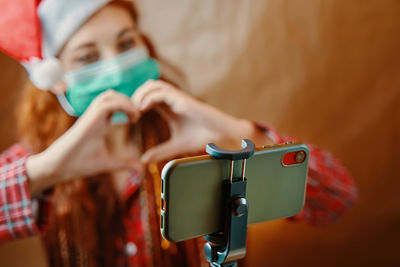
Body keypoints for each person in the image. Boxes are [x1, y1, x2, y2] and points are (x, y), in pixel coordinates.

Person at [0, 0, 357, 266]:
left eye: (125, 44)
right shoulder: (38, 158)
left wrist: (237, 134)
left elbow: (337, 199)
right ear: (54, 77)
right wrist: (48, 170)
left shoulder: (197, 138)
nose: (114, 64)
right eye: (87, 57)